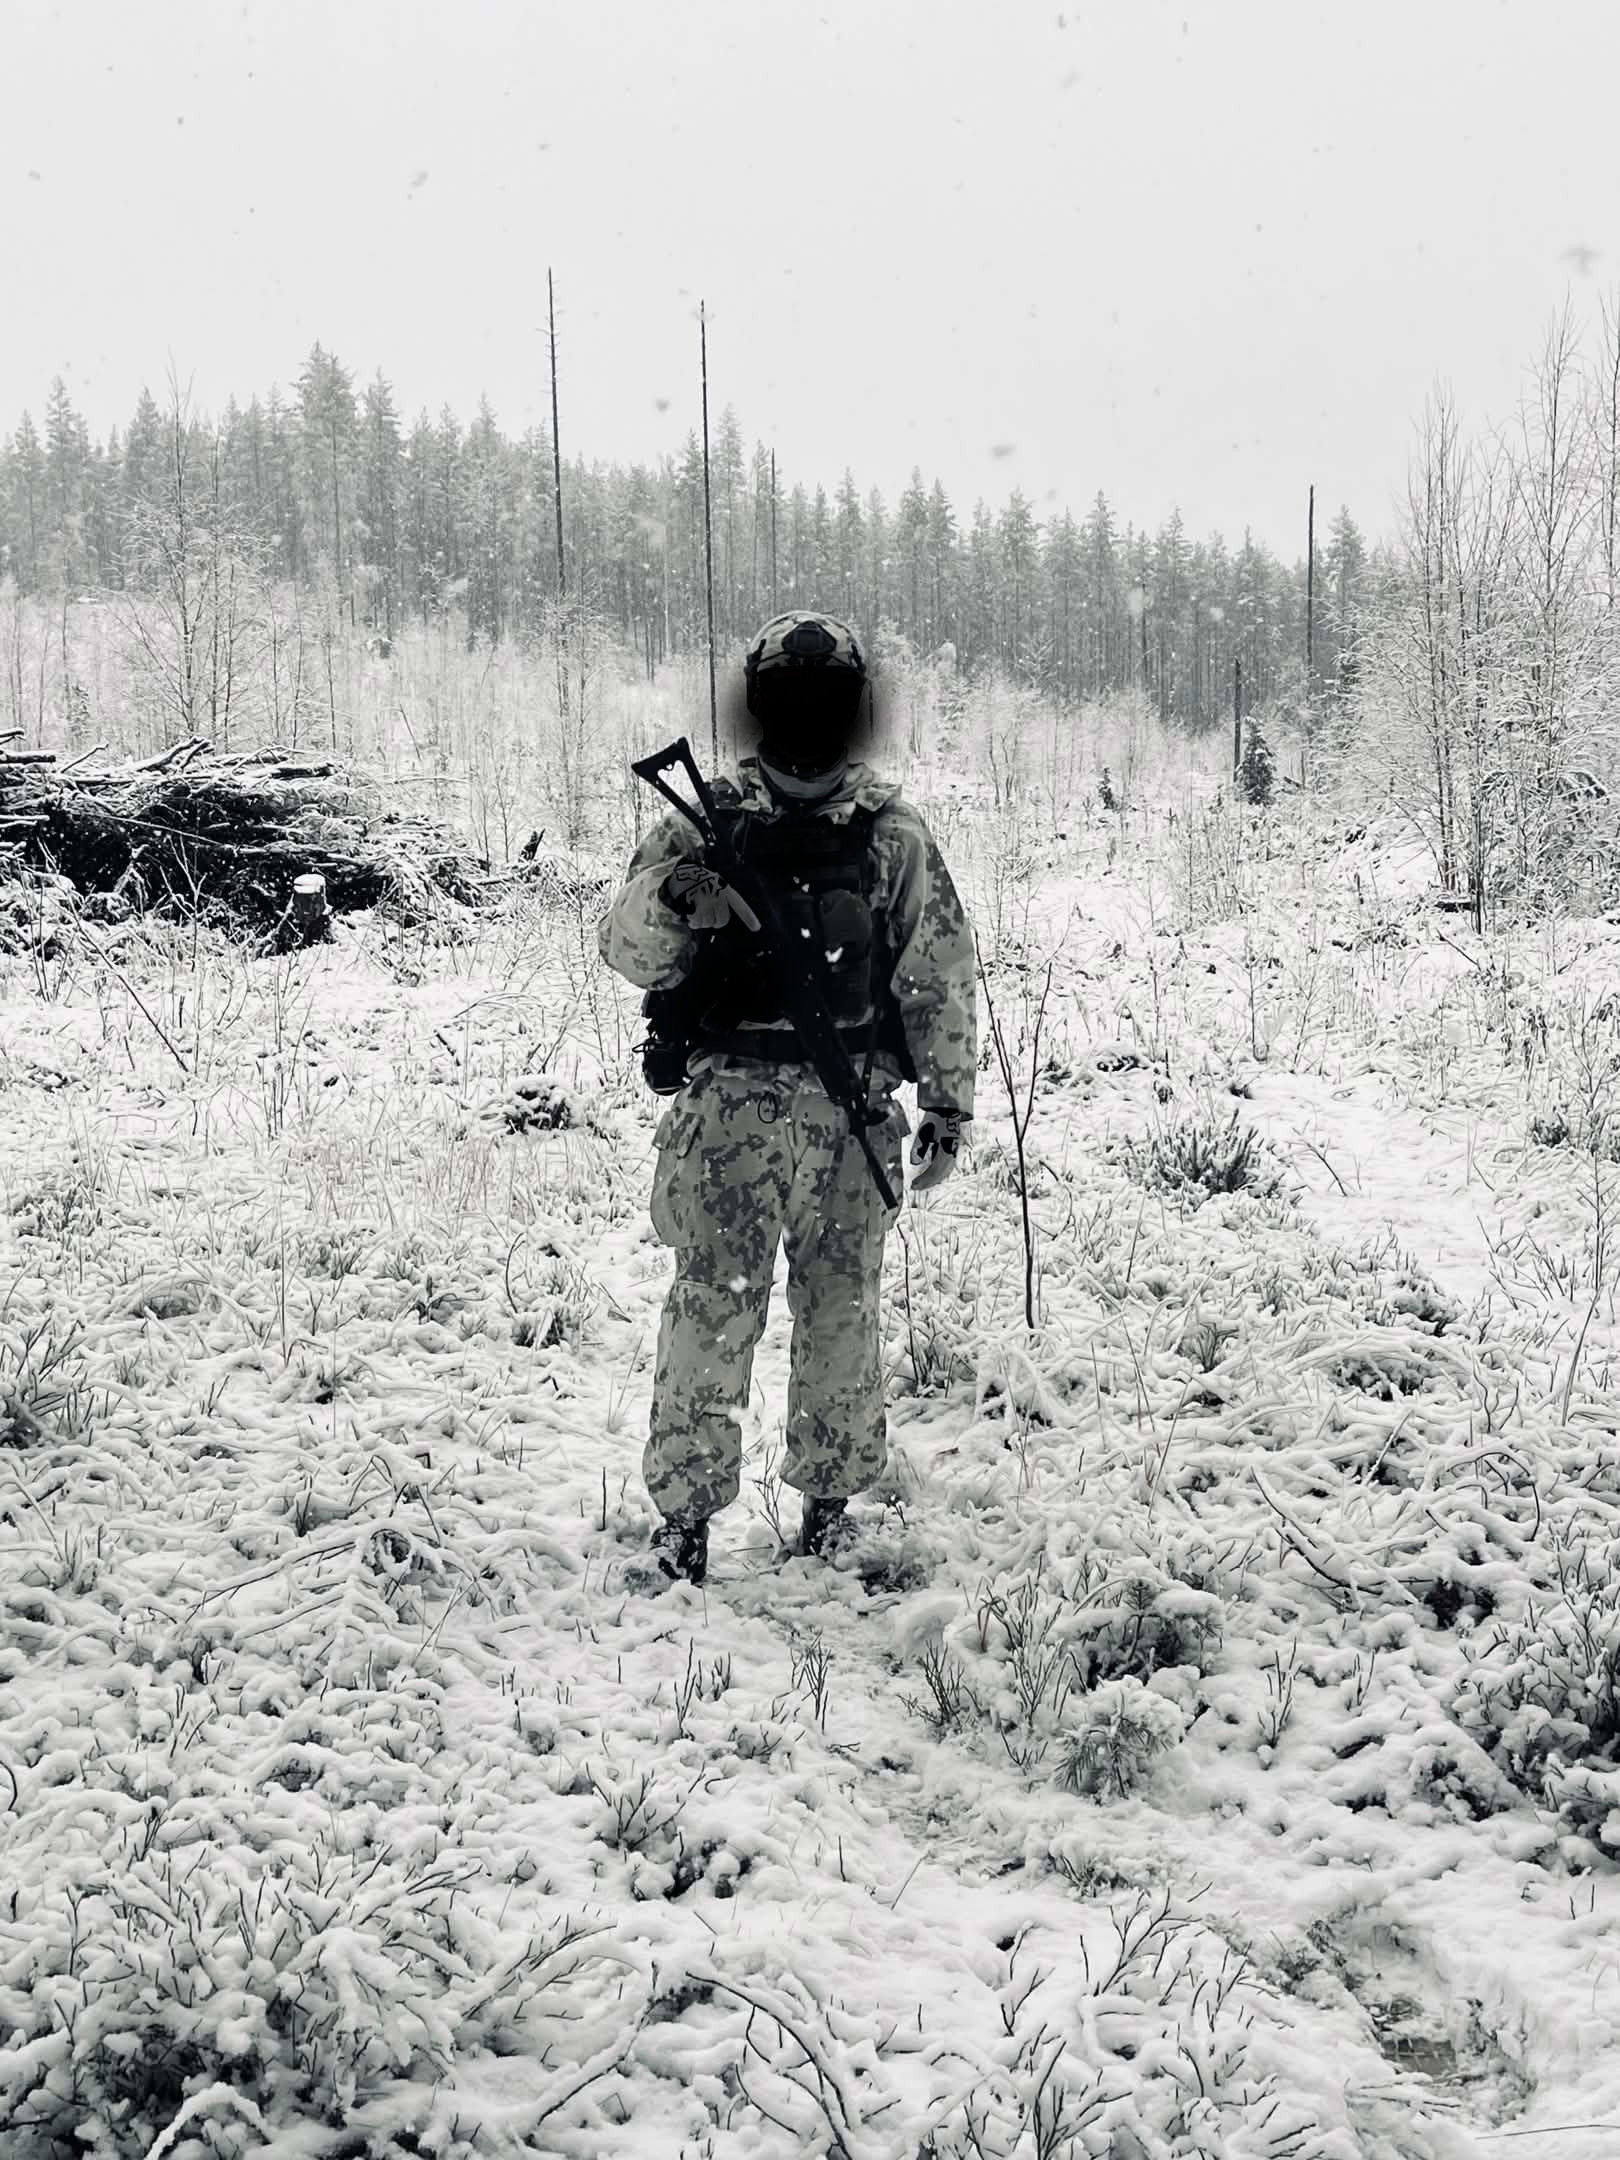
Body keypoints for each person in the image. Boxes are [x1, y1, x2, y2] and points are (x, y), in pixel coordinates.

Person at [598, 610, 976, 1587]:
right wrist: (680, 896)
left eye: (824, 704)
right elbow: (627, 952)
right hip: (729, 1112)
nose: (807, 722)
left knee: (840, 1320)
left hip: (849, 1115)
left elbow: (935, 975)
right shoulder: (703, 821)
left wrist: (947, 1105)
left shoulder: (891, 834)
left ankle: (831, 1510)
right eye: (791, 703)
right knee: (709, 1318)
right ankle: (683, 1524)